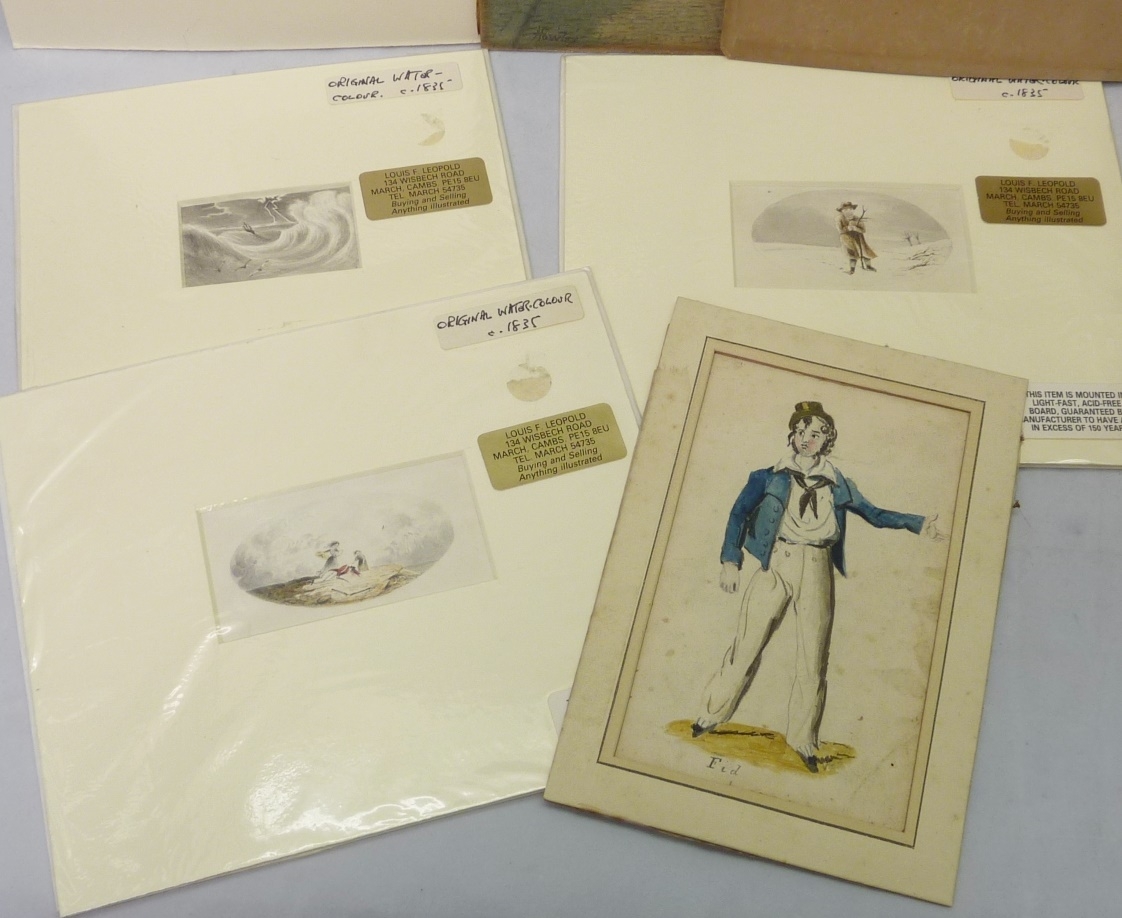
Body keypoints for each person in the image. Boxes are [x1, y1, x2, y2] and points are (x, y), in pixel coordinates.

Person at [691, 401, 941, 772]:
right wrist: (731, 560)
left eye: (817, 433)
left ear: (828, 441)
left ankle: (803, 739)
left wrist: (918, 524)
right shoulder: (767, 477)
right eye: (802, 431)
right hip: (776, 563)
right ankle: (710, 715)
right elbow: (738, 515)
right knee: (746, 646)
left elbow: (874, 514)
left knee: (813, 657)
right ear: (792, 435)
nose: (807, 438)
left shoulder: (837, 482)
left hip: (817, 567)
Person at [837, 201, 876, 274]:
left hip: (859, 239)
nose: (848, 211)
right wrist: (847, 228)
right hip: (847, 238)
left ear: (853, 210)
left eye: (850, 209)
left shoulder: (857, 218)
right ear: (842, 211)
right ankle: (852, 269)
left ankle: (868, 266)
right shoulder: (839, 219)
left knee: (865, 252)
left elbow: (863, 230)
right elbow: (840, 230)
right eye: (845, 210)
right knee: (852, 253)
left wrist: (856, 228)